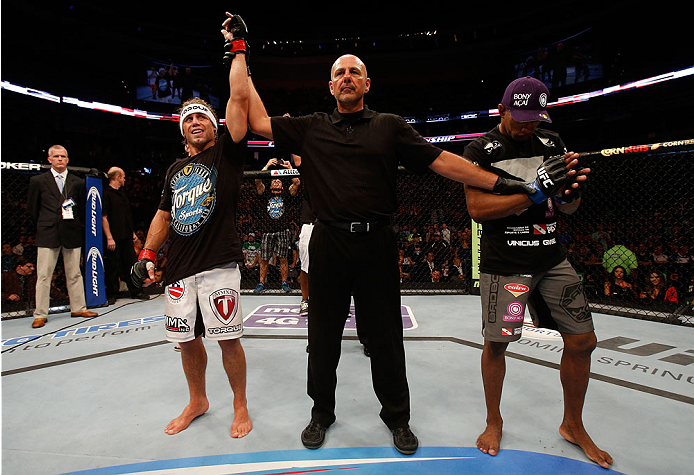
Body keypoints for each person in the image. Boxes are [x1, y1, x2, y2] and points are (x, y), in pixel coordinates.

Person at [243, 47, 558, 454]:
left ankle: (397, 418)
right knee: (322, 336)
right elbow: (254, 121)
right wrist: (241, 59)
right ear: (330, 85)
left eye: (354, 72)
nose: (347, 78)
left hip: (376, 241)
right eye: (339, 73)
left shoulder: (389, 126)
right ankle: (321, 412)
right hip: (329, 241)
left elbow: (442, 161)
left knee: (387, 336)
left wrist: (501, 182)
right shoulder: (311, 127)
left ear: (367, 83)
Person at [463, 76, 611, 469]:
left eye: (535, 119)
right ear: (503, 109)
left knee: (583, 341)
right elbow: (477, 209)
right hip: (505, 264)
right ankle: (494, 421)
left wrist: (568, 194)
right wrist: (534, 190)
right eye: (521, 118)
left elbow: (567, 209)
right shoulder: (481, 149)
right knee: (498, 344)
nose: (528, 126)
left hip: (551, 258)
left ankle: (573, 425)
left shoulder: (551, 142)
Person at [130, 14, 252, 438]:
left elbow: (239, 103)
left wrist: (237, 48)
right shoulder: (174, 170)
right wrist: (147, 253)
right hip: (180, 266)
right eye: (188, 119)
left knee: (227, 338)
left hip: (219, 261)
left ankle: (240, 404)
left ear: (214, 127)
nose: (196, 121)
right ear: (182, 132)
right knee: (185, 341)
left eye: (202, 116)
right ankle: (197, 400)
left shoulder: (227, 154)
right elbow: (163, 215)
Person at [26, 145, 98, 328]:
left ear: (67, 159)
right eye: (56, 156)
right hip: (47, 231)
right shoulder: (38, 181)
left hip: (70, 230)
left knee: (74, 273)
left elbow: (80, 207)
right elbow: (32, 209)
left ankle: (79, 307)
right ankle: (40, 313)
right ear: (49, 159)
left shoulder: (77, 182)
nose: (60, 159)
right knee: (44, 275)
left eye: (63, 156)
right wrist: (46, 222)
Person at [253, 157, 300, 293]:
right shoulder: (264, 192)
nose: (276, 181)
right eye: (274, 180)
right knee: (264, 258)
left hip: (282, 230)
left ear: (282, 185)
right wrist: (267, 165)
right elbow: (257, 180)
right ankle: (261, 283)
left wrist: (290, 169)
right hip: (267, 230)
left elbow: (296, 183)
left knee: (283, 258)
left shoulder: (286, 194)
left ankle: (284, 282)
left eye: (278, 180)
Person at [102, 167, 146, 304]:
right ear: (117, 177)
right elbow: (104, 217)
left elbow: (126, 216)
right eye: (123, 177)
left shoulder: (122, 193)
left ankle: (136, 291)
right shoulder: (106, 194)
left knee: (131, 265)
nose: (125, 180)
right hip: (113, 237)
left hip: (126, 236)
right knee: (113, 266)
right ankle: (112, 294)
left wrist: (132, 232)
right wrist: (109, 237)